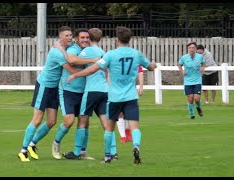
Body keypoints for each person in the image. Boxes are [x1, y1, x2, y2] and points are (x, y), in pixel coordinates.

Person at [66, 26, 157, 164]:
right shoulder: (136, 54)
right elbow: (150, 67)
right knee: (134, 127)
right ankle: (136, 146)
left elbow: (92, 69)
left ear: (117, 40)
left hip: (114, 97)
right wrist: (154, 65)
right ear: (130, 39)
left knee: (108, 127)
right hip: (131, 96)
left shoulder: (111, 54)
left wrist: (75, 75)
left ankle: (107, 156)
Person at [17, 26, 79, 162]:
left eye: (70, 35)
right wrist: (90, 72)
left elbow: (76, 46)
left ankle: (32, 144)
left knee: (51, 121)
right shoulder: (56, 52)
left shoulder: (68, 46)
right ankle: (22, 151)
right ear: (60, 37)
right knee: (37, 119)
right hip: (44, 86)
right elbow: (71, 68)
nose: (70, 38)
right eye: (67, 36)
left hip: (55, 88)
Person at [62, 28, 118, 160]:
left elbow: (72, 60)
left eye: (87, 37)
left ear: (89, 38)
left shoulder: (87, 51)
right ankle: (113, 152)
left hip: (92, 90)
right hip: (104, 90)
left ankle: (76, 152)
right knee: (106, 122)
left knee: (82, 120)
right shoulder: (102, 52)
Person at [51, 28, 93, 160]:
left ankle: (82, 151)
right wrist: (94, 60)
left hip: (84, 92)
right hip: (68, 91)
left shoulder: (89, 51)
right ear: (76, 39)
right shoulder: (73, 49)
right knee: (68, 121)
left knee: (84, 123)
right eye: (82, 37)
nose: (85, 40)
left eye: (87, 37)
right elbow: (72, 60)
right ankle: (56, 144)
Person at [178, 42, 206, 120]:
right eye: (190, 48)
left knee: (196, 98)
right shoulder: (184, 57)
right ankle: (192, 114)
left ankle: (198, 107)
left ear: (196, 49)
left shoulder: (200, 57)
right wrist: (182, 71)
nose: (191, 49)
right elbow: (179, 64)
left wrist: (203, 68)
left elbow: (204, 64)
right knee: (190, 98)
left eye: (193, 48)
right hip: (188, 81)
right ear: (188, 49)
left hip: (197, 80)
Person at [117, 66, 144, 143]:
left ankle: (128, 132)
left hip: (131, 91)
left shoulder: (134, 58)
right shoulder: (117, 58)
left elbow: (140, 71)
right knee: (120, 113)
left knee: (129, 113)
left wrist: (141, 86)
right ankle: (123, 136)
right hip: (118, 90)